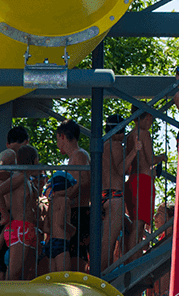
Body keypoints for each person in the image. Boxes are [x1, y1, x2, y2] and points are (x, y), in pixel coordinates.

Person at [124, 108, 167, 296]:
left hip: (131, 181)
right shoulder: (144, 134)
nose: (151, 123)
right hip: (142, 180)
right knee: (140, 225)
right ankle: (136, 259)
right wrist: (164, 157)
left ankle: (132, 257)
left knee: (135, 224)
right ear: (145, 117)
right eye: (150, 118)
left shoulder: (130, 135)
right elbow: (149, 160)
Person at [50, 119, 93, 272]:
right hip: (76, 211)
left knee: (76, 260)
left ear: (62, 136)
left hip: (79, 212)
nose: (57, 144)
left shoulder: (79, 155)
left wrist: (61, 196)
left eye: (56, 139)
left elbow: (81, 182)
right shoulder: (77, 155)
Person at [0, 143, 39, 280]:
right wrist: (5, 215)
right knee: (14, 273)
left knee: (25, 274)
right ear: (33, 160)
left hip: (27, 228)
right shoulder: (19, 177)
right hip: (19, 228)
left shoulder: (25, 179)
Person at [101, 114, 140, 272]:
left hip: (104, 194)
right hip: (115, 195)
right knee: (108, 243)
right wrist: (134, 152)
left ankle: (106, 272)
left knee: (109, 240)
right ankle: (103, 275)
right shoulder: (115, 144)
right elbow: (120, 169)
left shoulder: (103, 145)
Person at [0, 125, 29, 280]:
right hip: (3, 214)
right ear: (26, 142)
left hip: (8, 214)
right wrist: (15, 177)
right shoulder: (10, 153)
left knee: (6, 259)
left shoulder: (9, 153)